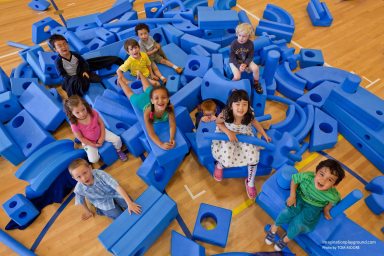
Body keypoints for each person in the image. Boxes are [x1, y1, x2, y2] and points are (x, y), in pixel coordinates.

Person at [265, 159, 346, 251]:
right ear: (316, 172)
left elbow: (333, 201)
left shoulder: (333, 195)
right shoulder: (307, 176)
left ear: (334, 185)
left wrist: (326, 210)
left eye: (330, 179)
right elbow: (294, 179)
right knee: (286, 212)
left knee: (299, 224)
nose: (323, 180)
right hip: (300, 197)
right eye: (322, 174)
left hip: (314, 207)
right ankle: (273, 229)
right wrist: (292, 195)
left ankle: (285, 239)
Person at [211, 90, 271, 199]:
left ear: (248, 105)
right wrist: (228, 132)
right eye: (237, 104)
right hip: (228, 136)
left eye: (244, 104)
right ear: (231, 106)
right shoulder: (225, 114)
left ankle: (250, 182)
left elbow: (255, 122)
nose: (241, 108)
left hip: (244, 136)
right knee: (226, 158)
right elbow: (218, 123)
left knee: (254, 158)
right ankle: (220, 165)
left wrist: (264, 134)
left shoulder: (249, 113)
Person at [119, 71, 176, 150]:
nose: (160, 101)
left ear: (168, 99)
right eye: (157, 98)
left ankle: (140, 73)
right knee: (129, 93)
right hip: (141, 102)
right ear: (152, 100)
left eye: (164, 97)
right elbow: (151, 133)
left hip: (151, 98)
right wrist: (161, 144)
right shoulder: (147, 113)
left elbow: (172, 125)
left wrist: (172, 138)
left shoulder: (170, 107)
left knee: (148, 87)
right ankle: (120, 81)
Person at [68, 158, 141, 220]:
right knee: (118, 216)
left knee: (130, 204)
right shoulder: (78, 189)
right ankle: (100, 210)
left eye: (85, 173)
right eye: (78, 177)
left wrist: (129, 203)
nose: (84, 178)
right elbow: (81, 201)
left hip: (114, 192)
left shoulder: (100, 174)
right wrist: (88, 211)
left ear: (90, 168)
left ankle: (125, 203)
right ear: (74, 178)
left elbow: (116, 186)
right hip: (101, 202)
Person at [64, 95, 128, 163]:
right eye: (77, 112)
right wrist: (93, 145)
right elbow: (81, 138)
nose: (82, 114)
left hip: (100, 132)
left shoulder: (92, 112)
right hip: (88, 140)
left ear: (85, 106)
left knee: (117, 139)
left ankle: (118, 151)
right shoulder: (74, 125)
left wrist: (101, 137)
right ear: (72, 113)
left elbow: (101, 124)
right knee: (93, 160)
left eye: (83, 109)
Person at [229, 23, 263, 94]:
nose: (241, 38)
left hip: (245, 60)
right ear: (237, 34)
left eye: (244, 36)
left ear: (248, 36)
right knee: (237, 76)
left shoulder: (250, 44)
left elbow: (250, 56)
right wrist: (238, 66)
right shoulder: (234, 44)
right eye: (239, 35)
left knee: (256, 68)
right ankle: (230, 85)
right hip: (234, 61)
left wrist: (245, 64)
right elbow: (232, 58)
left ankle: (256, 83)